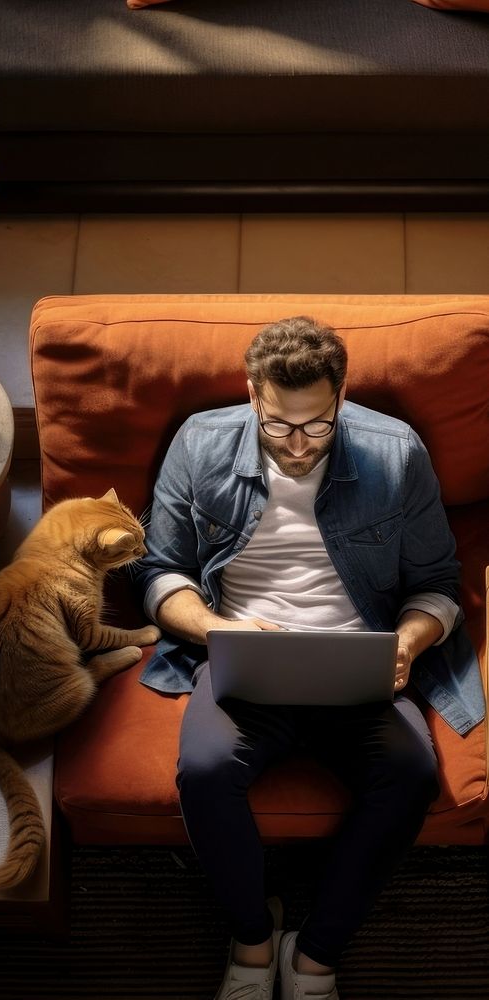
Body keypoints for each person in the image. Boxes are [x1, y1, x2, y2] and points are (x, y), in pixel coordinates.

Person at [135, 316, 484, 1000]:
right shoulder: (201, 443)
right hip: (241, 662)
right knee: (204, 772)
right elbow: (157, 571)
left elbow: (439, 584)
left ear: (342, 397)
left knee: (412, 777)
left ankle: (316, 954)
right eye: (277, 426)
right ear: (251, 394)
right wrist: (214, 628)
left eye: (316, 426)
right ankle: (253, 941)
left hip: (356, 664)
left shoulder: (397, 452)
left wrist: (407, 644)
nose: (297, 448)